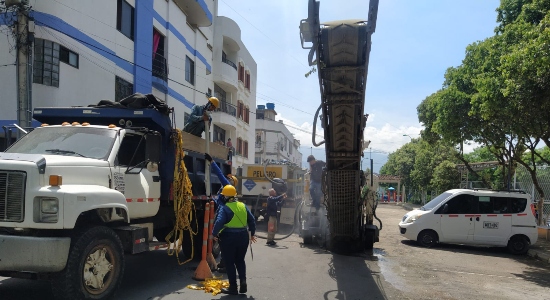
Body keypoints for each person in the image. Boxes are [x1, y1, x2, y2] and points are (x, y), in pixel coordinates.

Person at [212, 185, 256, 295]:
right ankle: (243, 282)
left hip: (228, 238)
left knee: (229, 262)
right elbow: (252, 220)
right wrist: (252, 234)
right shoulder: (243, 206)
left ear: (226, 196)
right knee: (240, 260)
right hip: (243, 237)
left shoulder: (225, 208)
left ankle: (233, 287)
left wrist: (214, 234)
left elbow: (219, 222)